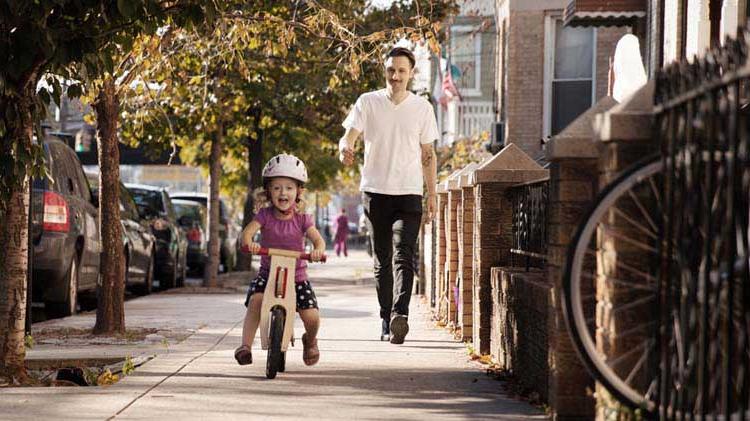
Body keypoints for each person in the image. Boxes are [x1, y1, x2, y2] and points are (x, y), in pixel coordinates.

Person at [339, 46, 439, 344]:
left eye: (401, 71)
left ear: (411, 74)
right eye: (391, 70)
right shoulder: (367, 102)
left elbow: (428, 155)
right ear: (385, 71)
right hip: (375, 193)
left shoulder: (422, 108)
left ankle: (400, 315)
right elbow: (350, 134)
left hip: (409, 194)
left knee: (403, 255)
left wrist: (431, 194)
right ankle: (386, 318)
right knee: (382, 259)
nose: (395, 76)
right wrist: (345, 147)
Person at [234, 154, 326, 367]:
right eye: (276, 188)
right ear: (268, 192)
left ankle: (310, 340)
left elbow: (318, 241)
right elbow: (247, 234)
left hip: (297, 278)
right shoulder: (265, 216)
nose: (283, 192)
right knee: (256, 301)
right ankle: (245, 346)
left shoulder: (302, 219)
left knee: (311, 316)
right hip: (268, 274)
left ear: (298, 192)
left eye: (289, 188)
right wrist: (251, 243)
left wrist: (317, 251)